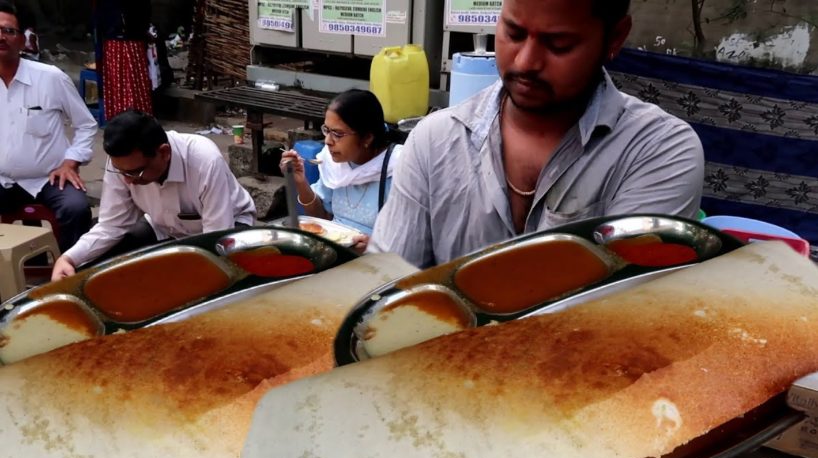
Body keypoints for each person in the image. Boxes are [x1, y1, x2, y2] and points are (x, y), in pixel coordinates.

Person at [369, 0, 705, 268]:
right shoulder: (434, 140)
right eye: (513, 33)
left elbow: (619, 317)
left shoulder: (657, 151)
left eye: (558, 44)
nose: (526, 62)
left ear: (614, 38)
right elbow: (385, 286)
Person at [51, 110, 256, 280]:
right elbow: (111, 225)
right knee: (96, 267)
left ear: (164, 153)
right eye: (122, 172)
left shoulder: (205, 160)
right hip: (163, 227)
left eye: (136, 173)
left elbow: (215, 238)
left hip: (229, 228)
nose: (128, 181)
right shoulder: (123, 165)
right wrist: (69, 258)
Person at [0, 1, 96, 252]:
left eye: (9, 31)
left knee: (76, 208)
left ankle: (67, 275)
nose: (1, 37)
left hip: (50, 178)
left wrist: (71, 162)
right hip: (3, 180)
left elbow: (86, 125)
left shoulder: (50, 77)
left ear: (24, 40)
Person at [278, 89, 402, 253]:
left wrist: (374, 246)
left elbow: (414, 242)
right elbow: (323, 220)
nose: (328, 141)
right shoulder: (334, 163)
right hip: (337, 253)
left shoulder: (399, 169)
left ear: (367, 138)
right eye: (327, 130)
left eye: (338, 134)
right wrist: (300, 182)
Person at [94, 0, 153, 121]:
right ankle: (123, 117)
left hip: (131, 40)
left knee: (132, 79)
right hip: (115, 40)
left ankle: (134, 116)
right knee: (119, 80)